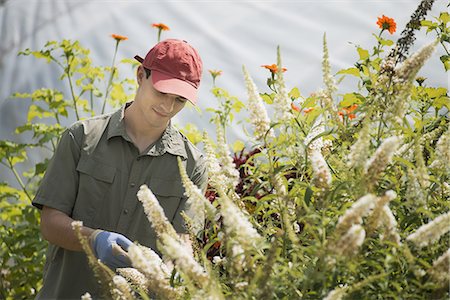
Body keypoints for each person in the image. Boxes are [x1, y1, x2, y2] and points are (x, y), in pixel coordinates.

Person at [32, 39, 208, 299]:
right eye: (161, 92)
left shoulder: (192, 166)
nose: (168, 107)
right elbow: (50, 223)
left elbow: (182, 242)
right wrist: (93, 239)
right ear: (140, 75)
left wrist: (172, 271)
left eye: (180, 99)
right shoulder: (82, 138)